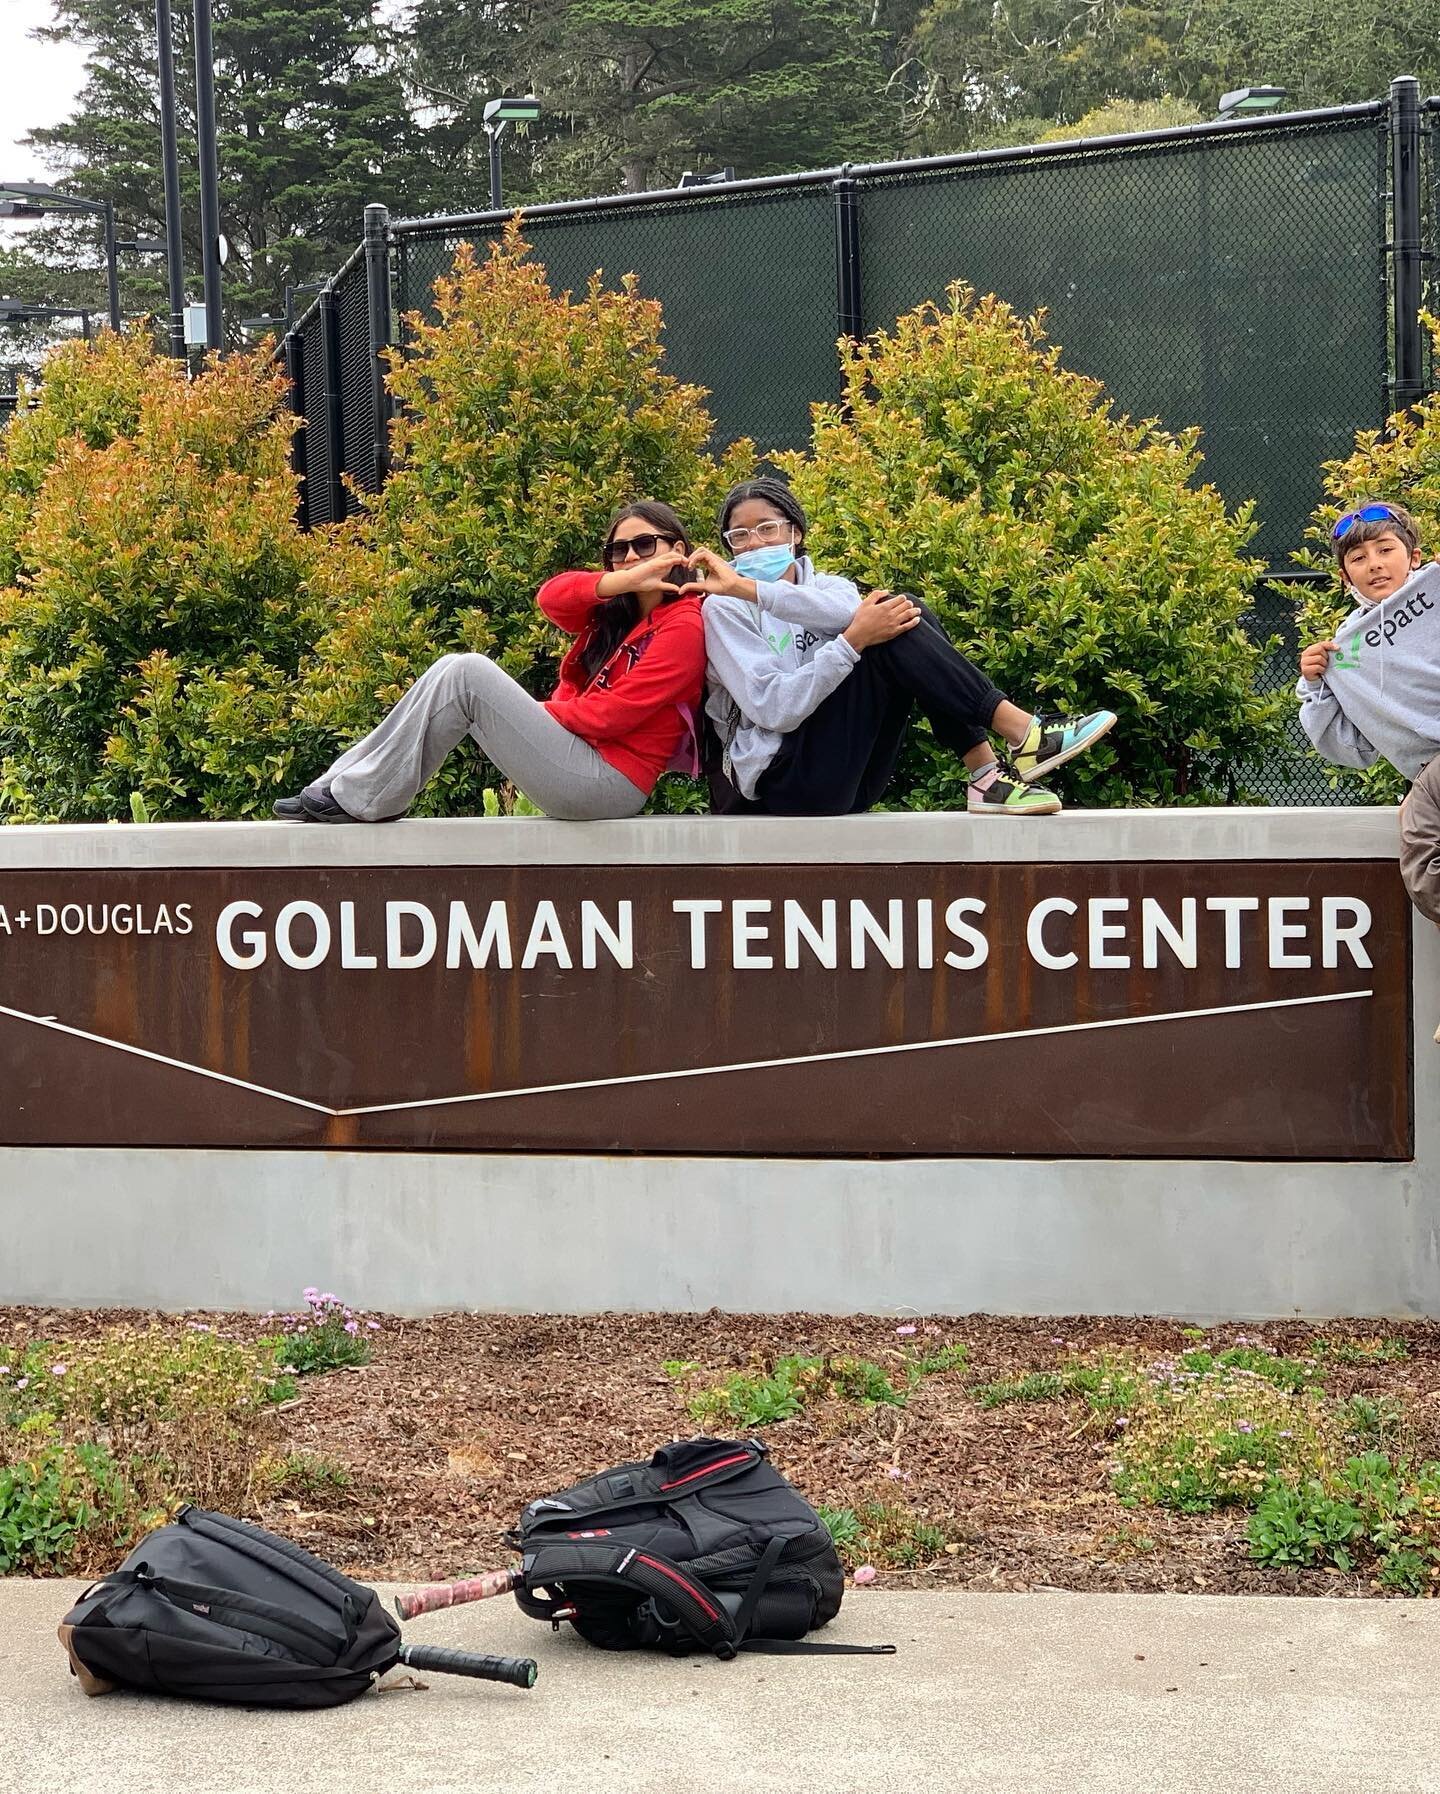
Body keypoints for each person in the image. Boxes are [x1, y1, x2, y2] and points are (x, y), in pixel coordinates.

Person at [688, 477, 1117, 816]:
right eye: (739, 536)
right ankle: (1014, 741)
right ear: (726, 547)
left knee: (900, 613)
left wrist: (759, 592)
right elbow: (772, 709)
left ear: (795, 533)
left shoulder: (831, 588)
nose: (755, 543)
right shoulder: (723, 609)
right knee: (889, 619)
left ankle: (991, 775)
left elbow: (842, 613)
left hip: (854, 777)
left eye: (767, 528)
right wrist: (848, 640)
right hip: (783, 785)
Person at [274, 501, 706, 823]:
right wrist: (623, 582)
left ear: (678, 549)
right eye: (619, 550)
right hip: (578, 760)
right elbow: (552, 598)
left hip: (610, 783)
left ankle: (366, 798)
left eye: (645, 545)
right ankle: (335, 786)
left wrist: (535, 714)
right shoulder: (618, 613)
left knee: (467, 674)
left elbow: (611, 716)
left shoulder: (684, 625)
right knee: (451, 667)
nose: (631, 557)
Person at [1298, 500, 1440, 1039]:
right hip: (1429, 777)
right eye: (1358, 557)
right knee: (1425, 872)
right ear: (1344, 575)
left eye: (1386, 550)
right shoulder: (1345, 648)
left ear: (1415, 555)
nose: (1375, 563)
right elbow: (1350, 748)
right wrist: (1315, 686)